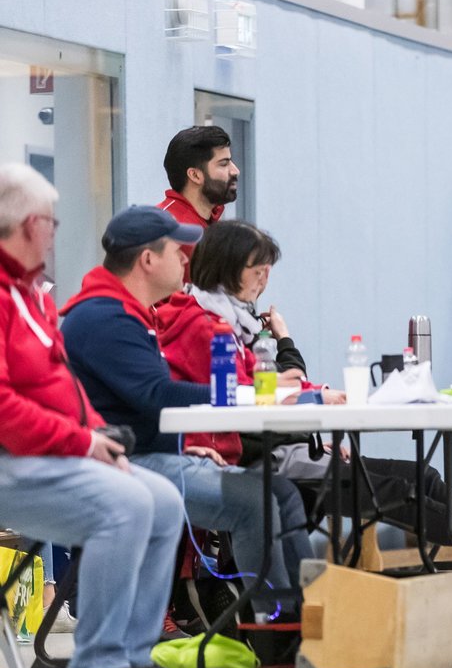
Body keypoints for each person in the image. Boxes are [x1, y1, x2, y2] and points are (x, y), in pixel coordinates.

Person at [156, 219, 452, 561]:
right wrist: (307, 402)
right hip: (258, 457)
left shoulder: (235, 322)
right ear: (228, 268)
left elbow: (271, 384)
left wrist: (312, 401)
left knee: (422, 475)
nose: (264, 281)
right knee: (391, 491)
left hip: (285, 446)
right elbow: (240, 397)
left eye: (268, 271)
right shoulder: (204, 325)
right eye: (257, 270)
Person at [0, 164, 201, 668]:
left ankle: (133, 658)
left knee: (162, 498)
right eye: (51, 221)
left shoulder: (35, 297)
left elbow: (64, 388)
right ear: (27, 224)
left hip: (47, 453)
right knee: (127, 503)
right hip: (11, 460)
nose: (56, 232)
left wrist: (96, 436)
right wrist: (82, 444)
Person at [59, 206, 306, 614]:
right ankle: (277, 623)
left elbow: (137, 404)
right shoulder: (105, 318)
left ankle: (305, 613)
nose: (186, 260)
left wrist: (183, 445)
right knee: (253, 503)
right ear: (148, 260)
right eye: (177, 250)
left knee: (275, 491)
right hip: (118, 464)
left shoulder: (127, 314)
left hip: (145, 453)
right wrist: (240, 395)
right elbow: (155, 395)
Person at [158, 126, 239, 273]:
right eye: (224, 163)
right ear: (195, 175)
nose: (235, 171)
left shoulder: (210, 224)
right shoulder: (162, 227)